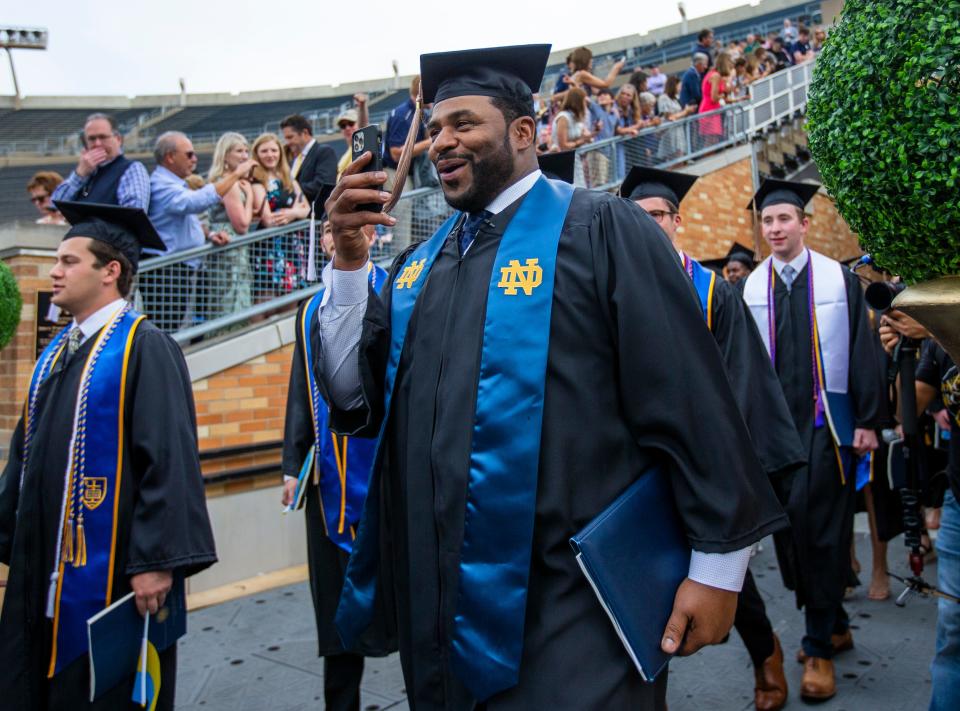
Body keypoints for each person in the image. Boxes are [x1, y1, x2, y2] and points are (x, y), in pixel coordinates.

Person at [323, 43, 788, 710]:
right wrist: (346, 263)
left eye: (463, 123)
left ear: (521, 132)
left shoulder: (602, 229)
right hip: (442, 606)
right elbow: (350, 394)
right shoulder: (415, 271)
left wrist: (719, 570)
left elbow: (688, 394)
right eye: (433, 130)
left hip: (572, 605)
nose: (441, 142)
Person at [0, 200, 217, 710]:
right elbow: (23, 458)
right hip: (45, 572)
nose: (55, 271)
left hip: (115, 578)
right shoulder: (57, 354)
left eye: (69, 261)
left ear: (110, 271)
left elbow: (168, 459)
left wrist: (157, 562)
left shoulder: (145, 346)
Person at [624, 167, 805, 711]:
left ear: (677, 222)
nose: (648, 225)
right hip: (638, 471)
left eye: (656, 215)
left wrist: (742, 482)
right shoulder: (616, 289)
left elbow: (745, 392)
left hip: (705, 470)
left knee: (730, 582)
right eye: (636, 217)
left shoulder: (713, 295)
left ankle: (765, 651)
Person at [742, 179, 881, 702]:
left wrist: (867, 420)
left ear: (805, 223)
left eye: (784, 220)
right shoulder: (753, 287)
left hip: (828, 428)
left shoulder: (838, 281)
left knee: (822, 533)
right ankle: (837, 621)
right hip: (777, 435)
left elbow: (863, 349)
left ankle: (818, 646)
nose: (775, 229)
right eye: (768, 221)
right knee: (795, 536)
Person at [281, 220, 393, 711]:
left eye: (347, 227)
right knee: (335, 611)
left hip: (389, 482)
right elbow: (299, 395)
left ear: (373, 232)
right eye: (327, 229)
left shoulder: (398, 291)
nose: (335, 236)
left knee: (410, 609)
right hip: (327, 487)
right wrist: (292, 464)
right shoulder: (311, 310)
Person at [145, 131, 255, 331]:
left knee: (178, 325)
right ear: (170, 157)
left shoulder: (173, 183)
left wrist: (210, 234)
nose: (195, 159)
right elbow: (195, 203)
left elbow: (188, 219)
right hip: (168, 271)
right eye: (189, 154)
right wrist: (237, 175)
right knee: (168, 330)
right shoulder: (161, 184)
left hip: (181, 267)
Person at [249, 132, 311, 298]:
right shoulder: (256, 180)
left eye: (274, 150)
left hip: (292, 244)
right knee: (266, 298)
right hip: (269, 246)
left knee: (290, 295)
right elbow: (268, 220)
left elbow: (306, 208)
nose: (270, 155)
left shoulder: (288, 177)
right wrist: (296, 212)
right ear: (257, 154)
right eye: (264, 151)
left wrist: (293, 213)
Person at [51, 113, 150, 210]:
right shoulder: (85, 173)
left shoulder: (131, 169)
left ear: (118, 139)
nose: (97, 143)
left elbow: (134, 215)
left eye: (103, 137)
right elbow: (55, 206)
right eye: (92, 139)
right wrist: (79, 174)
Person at [206, 132, 255, 320]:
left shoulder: (225, 180)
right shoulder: (230, 184)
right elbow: (242, 224)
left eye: (246, 151)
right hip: (230, 250)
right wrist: (249, 195)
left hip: (229, 250)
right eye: (239, 151)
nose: (244, 156)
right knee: (232, 302)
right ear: (225, 155)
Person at [383, 75, 432, 192]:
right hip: (395, 173)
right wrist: (430, 142)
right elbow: (396, 154)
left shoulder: (423, 112)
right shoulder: (402, 115)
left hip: (413, 172)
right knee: (404, 210)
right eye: (431, 91)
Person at [280, 114, 338, 211]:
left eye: (290, 137)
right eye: (286, 138)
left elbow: (323, 185)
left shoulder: (324, 152)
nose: (287, 142)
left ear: (305, 133)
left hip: (317, 217)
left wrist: (290, 191)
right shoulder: (293, 160)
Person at [699, 52, 733, 146]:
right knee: (711, 140)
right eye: (730, 62)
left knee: (713, 140)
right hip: (709, 109)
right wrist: (722, 96)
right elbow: (714, 97)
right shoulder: (715, 76)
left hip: (712, 109)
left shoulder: (715, 74)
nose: (731, 64)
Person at [656, 77, 694, 161]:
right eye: (679, 86)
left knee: (680, 159)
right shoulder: (663, 98)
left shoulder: (675, 99)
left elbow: (678, 114)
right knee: (674, 160)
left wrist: (687, 111)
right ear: (674, 86)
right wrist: (685, 111)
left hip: (678, 132)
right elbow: (670, 117)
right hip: (670, 133)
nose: (680, 88)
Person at [336, 94, 371, 181]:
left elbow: (363, 128)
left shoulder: (361, 146)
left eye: (351, 123)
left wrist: (362, 106)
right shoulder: (344, 157)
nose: (347, 128)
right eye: (343, 126)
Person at [550, 86, 592, 151]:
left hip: (577, 156)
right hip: (564, 157)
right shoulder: (563, 117)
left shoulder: (576, 117)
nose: (585, 104)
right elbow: (563, 146)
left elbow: (587, 136)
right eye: (584, 101)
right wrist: (578, 142)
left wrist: (594, 133)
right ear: (578, 102)